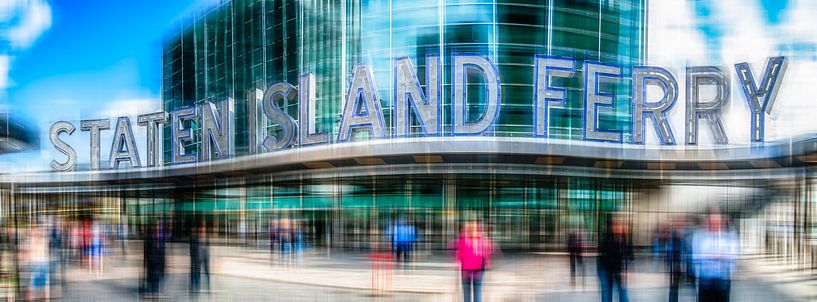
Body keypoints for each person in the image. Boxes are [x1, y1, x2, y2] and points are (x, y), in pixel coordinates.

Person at [692, 212, 738, 302]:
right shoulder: (699, 236)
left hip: (723, 278)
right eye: (711, 223)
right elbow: (696, 256)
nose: (714, 225)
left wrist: (714, 256)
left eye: (717, 223)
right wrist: (719, 256)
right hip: (705, 279)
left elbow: (733, 256)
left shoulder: (729, 237)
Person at [597, 214, 633, 302]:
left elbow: (630, 256)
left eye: (623, 225)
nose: (620, 227)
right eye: (617, 225)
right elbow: (606, 257)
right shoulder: (607, 239)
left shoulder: (626, 240)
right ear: (612, 227)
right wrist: (621, 271)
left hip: (618, 268)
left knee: (623, 293)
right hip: (604, 267)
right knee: (607, 292)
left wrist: (627, 269)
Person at [455, 221, 493, 302]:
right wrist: (458, 263)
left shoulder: (481, 239)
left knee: (475, 293)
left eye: (473, 228)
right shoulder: (464, 239)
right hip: (468, 269)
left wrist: (487, 261)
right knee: (470, 293)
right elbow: (459, 252)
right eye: (470, 228)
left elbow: (487, 251)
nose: (472, 231)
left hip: (476, 269)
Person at [189, 222, 210, 293]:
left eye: (203, 229)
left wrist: (207, 256)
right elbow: (193, 249)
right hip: (197, 257)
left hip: (204, 257)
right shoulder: (195, 238)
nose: (202, 230)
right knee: (197, 272)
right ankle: (196, 286)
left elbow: (207, 248)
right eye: (201, 229)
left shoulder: (206, 237)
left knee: (206, 272)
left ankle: (208, 285)